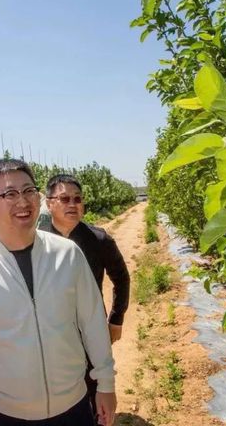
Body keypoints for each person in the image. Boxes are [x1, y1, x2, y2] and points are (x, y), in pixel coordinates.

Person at [0, 159, 116, 426]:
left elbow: (92, 320)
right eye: (9, 194)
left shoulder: (67, 254)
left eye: (29, 191)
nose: (23, 201)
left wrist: (106, 383)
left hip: (74, 404)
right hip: (10, 413)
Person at [41, 173, 130, 413]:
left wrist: (116, 319)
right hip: (52, 330)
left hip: (91, 327)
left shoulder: (98, 239)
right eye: (64, 198)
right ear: (49, 203)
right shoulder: (37, 242)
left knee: (94, 380)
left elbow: (121, 278)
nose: (72, 204)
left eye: (77, 199)